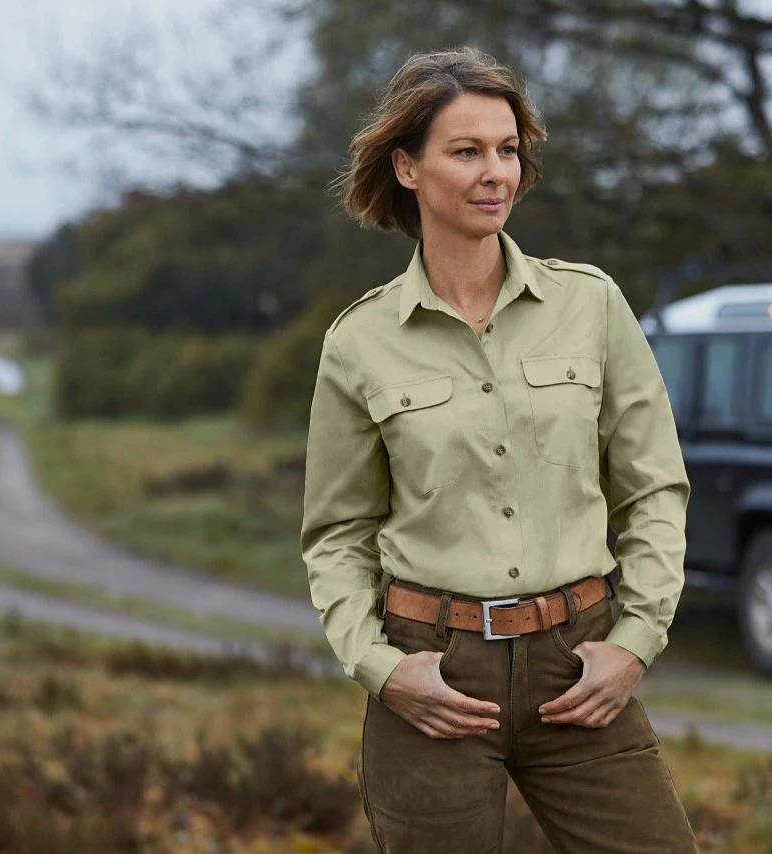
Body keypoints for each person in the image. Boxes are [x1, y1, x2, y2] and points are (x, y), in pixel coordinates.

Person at [300, 46, 698, 853]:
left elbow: (654, 488)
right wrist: (383, 669)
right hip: (432, 674)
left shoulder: (591, 304)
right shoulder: (359, 342)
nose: (496, 173)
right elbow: (336, 536)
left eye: (508, 149)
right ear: (407, 168)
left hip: (579, 663)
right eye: (467, 151)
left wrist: (635, 643)